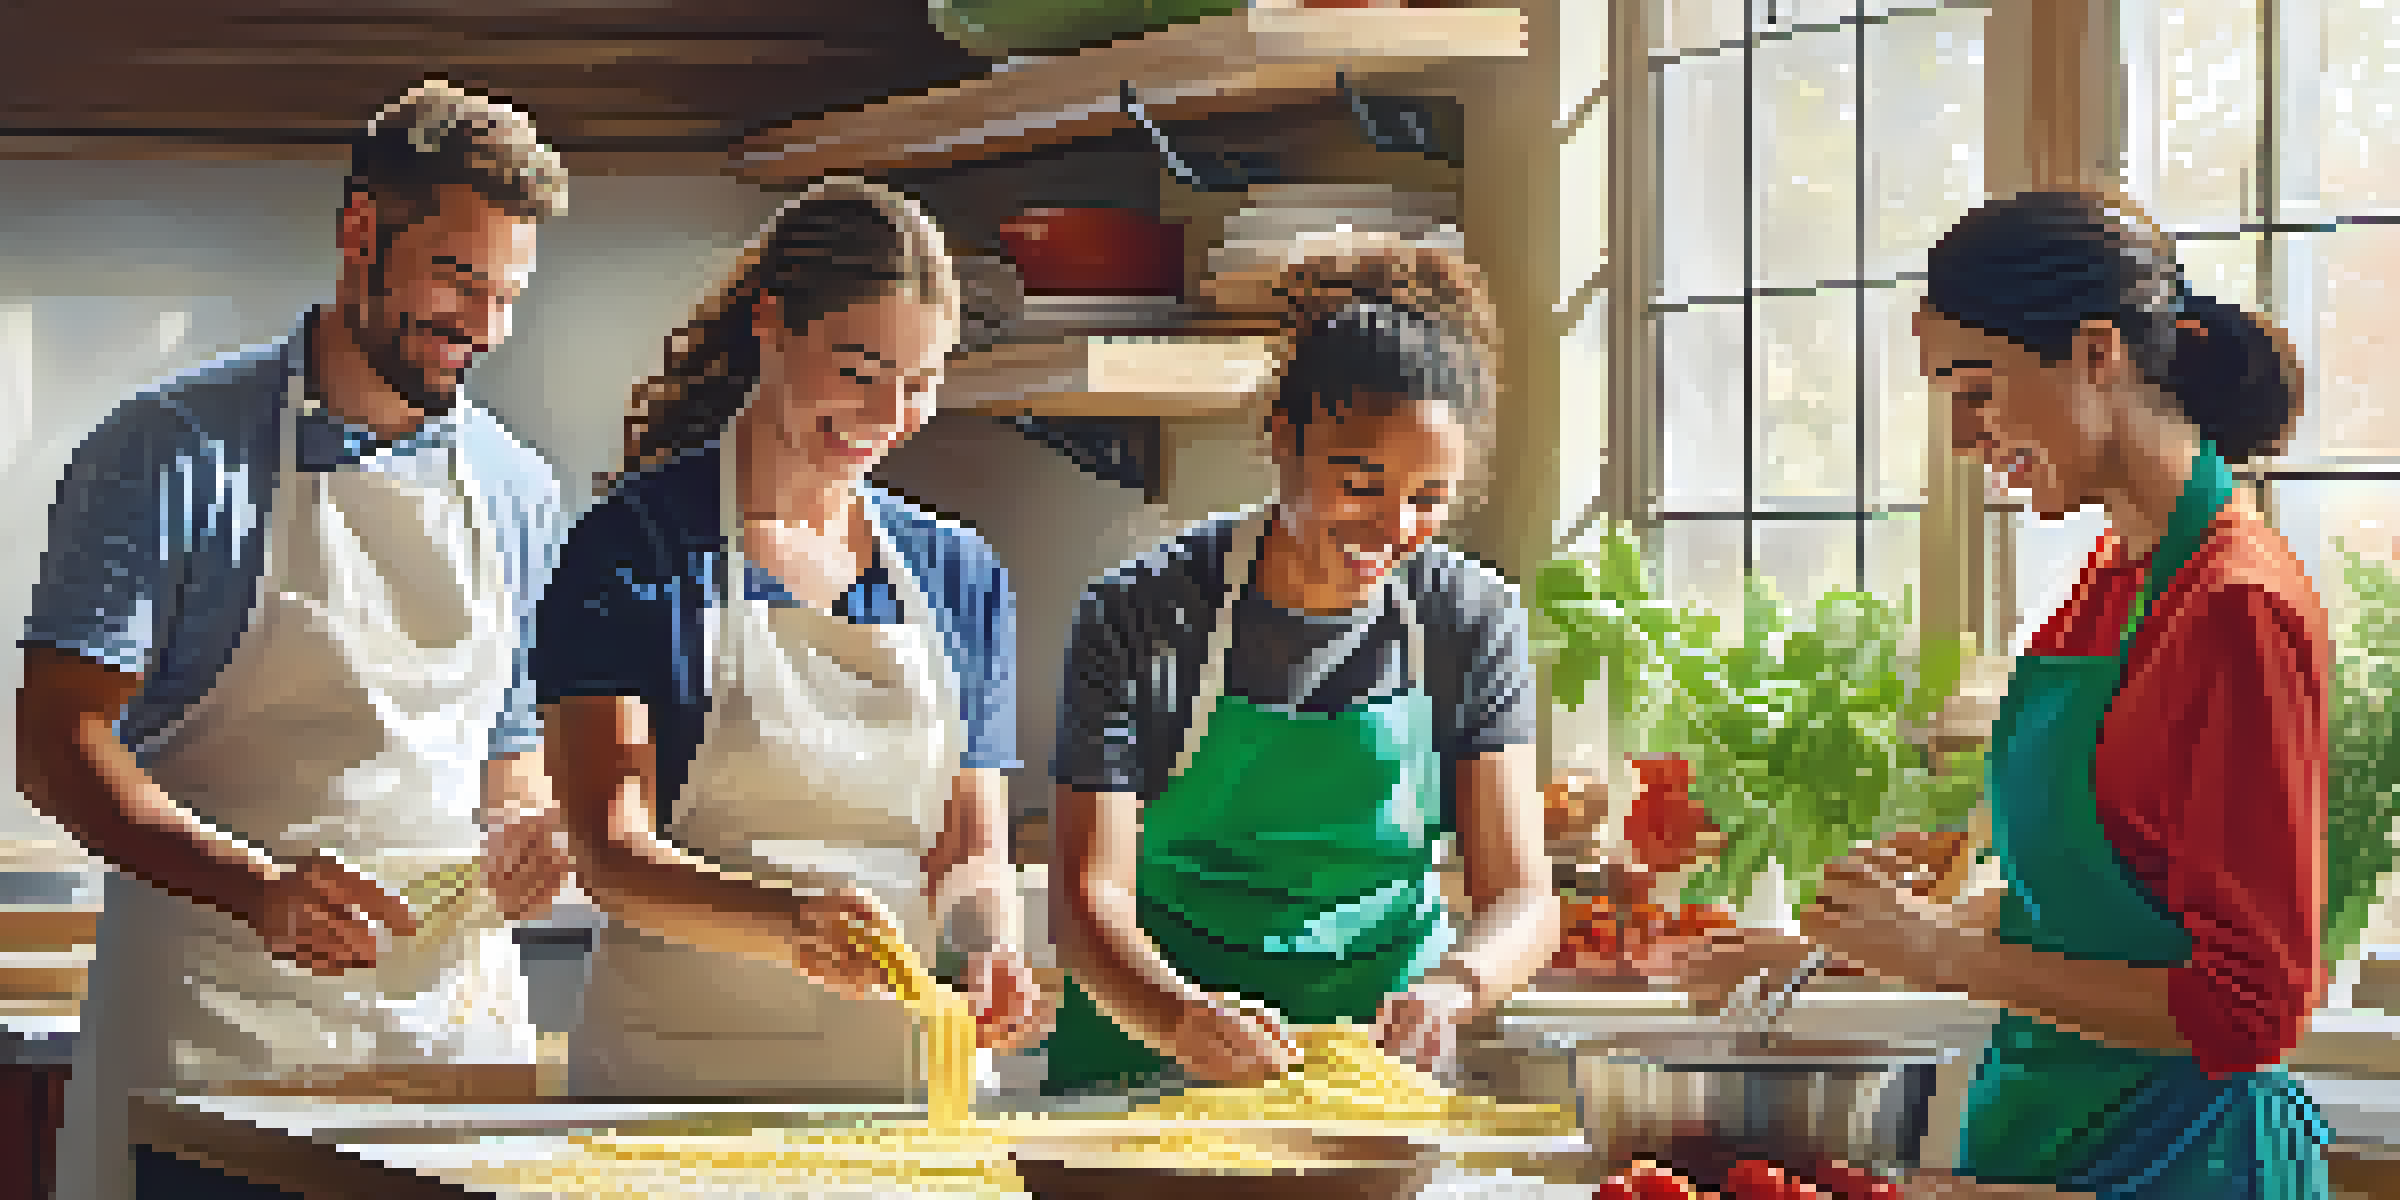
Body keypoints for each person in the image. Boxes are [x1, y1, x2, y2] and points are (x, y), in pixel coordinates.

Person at [1671, 189, 2333, 1198]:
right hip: (2052, 1142)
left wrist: (1935, 951)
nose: (1962, 435)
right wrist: (1840, 949)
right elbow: (2094, 915)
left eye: (1977, 389)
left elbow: (2248, 1012)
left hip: (2188, 1160)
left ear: (2098, 354)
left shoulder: (2236, 607)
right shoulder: (2111, 583)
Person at [20, 80, 576, 1200]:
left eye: (507, 293)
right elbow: (57, 745)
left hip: (444, 1048)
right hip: (216, 1032)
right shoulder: (165, 454)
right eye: (456, 278)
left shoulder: (518, 488)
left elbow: (503, 751)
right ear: (360, 231)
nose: (484, 325)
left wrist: (531, 831)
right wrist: (261, 890)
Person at [538, 178, 1049, 1102]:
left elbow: (969, 853)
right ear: (771, 324)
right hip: (674, 1093)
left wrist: (990, 946)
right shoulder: (638, 544)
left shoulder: (959, 573)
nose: (888, 418)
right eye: (858, 372)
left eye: (921, 384)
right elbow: (609, 850)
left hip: (899, 1093)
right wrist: (786, 923)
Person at [1042, 242, 1560, 1094]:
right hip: (1146, 1071)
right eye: (1360, 482)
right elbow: (1087, 899)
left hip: (1377, 1086)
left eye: (1429, 499)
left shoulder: (1469, 617)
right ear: (1284, 439)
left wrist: (1450, 989)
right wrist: (1178, 1018)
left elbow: (1521, 897)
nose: (1393, 525)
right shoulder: (1142, 614)